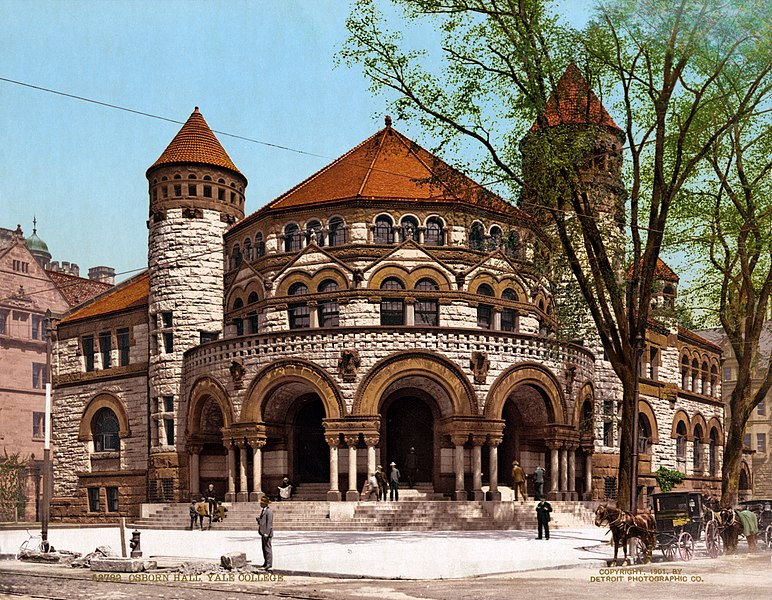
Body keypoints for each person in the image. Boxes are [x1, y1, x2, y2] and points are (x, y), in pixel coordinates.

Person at [256, 495, 273, 571]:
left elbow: (269, 523)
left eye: (261, 503)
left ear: (265, 504)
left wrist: (267, 532)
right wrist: (259, 520)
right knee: (264, 548)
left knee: (267, 548)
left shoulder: (269, 512)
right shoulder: (263, 511)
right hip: (263, 532)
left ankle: (269, 563)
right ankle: (266, 562)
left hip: (267, 533)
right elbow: (263, 522)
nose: (260, 504)